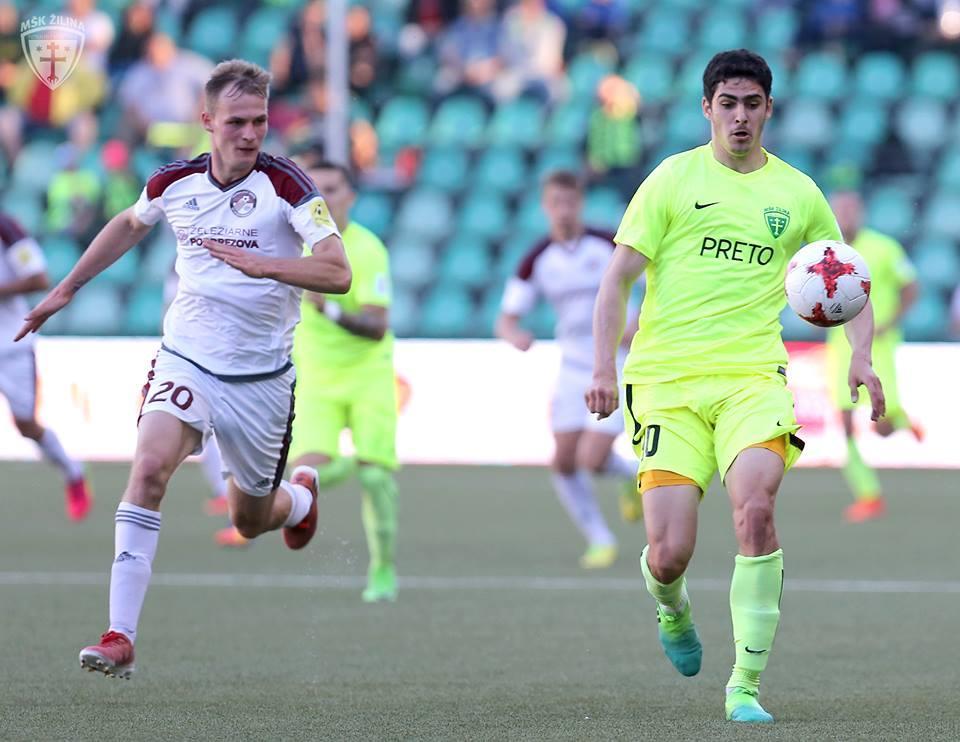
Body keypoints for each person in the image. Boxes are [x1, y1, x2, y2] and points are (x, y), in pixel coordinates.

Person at [16, 59, 351, 679]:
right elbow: (128, 223)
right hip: (187, 357)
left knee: (249, 519)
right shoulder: (175, 182)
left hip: (260, 380)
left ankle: (299, 500)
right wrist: (67, 287)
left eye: (259, 121)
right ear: (207, 121)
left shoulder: (288, 186)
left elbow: (338, 271)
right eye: (236, 122)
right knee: (148, 471)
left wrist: (266, 266)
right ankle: (120, 635)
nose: (249, 134)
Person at [586, 49, 884, 723]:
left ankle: (744, 685)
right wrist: (603, 367)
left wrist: (862, 356)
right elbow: (616, 279)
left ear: (769, 109)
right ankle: (671, 607)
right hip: (665, 384)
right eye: (728, 104)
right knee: (670, 553)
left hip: (752, 379)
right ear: (707, 109)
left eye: (752, 104)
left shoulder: (797, 194)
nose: (740, 117)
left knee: (755, 511)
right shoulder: (672, 179)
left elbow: (847, 280)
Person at [496, 170, 641, 570]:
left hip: (616, 362)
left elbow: (656, 281)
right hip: (574, 367)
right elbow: (505, 318)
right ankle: (600, 539)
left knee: (592, 459)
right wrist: (515, 335)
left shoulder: (607, 244)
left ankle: (630, 474)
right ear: (545, 207)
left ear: (580, 203)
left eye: (570, 202)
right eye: (555, 203)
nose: (563, 210)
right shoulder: (537, 259)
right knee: (562, 461)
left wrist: (639, 320)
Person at [285, 156, 400, 602]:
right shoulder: (293, 247)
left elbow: (377, 327)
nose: (324, 198)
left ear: (350, 196)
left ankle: (383, 569)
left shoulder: (367, 250)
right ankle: (358, 464)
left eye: (332, 189)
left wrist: (328, 308)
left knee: (376, 483)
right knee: (307, 473)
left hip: (368, 373)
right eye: (317, 190)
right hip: (316, 377)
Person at [827, 188, 921, 523]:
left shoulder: (884, 247)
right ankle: (868, 495)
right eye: (840, 210)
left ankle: (902, 419)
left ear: (862, 212)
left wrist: (890, 322)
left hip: (878, 343)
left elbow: (911, 288)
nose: (846, 216)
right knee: (845, 422)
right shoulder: (825, 252)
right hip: (840, 345)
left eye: (851, 209)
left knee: (882, 426)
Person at [0, 211, 92, 520]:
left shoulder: (6, 228)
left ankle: (73, 472)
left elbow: (39, 279)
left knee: (26, 425)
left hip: (10, 345)